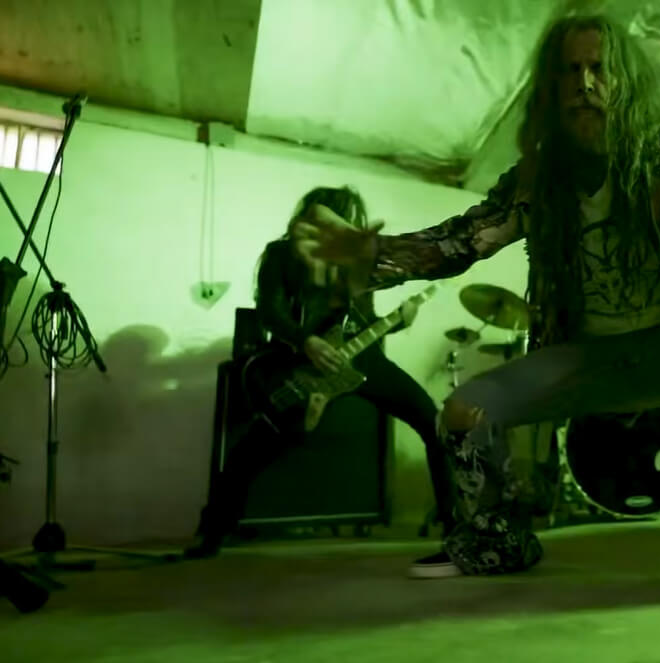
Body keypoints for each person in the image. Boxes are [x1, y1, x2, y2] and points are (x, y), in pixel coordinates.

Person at [292, 14, 660, 583]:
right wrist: (373, 253)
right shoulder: (534, 178)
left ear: (624, 81)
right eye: (571, 70)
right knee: (462, 412)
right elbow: (460, 242)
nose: (585, 84)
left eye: (600, 69)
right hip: (585, 360)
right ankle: (494, 539)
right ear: (551, 89)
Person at [185, 187, 456, 564]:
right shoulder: (282, 254)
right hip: (306, 362)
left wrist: (398, 322)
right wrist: (305, 341)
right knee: (255, 446)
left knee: (435, 423)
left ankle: (457, 529)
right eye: (344, 217)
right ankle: (213, 531)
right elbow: (270, 312)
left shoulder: (359, 260)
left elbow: (361, 323)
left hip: (362, 358)